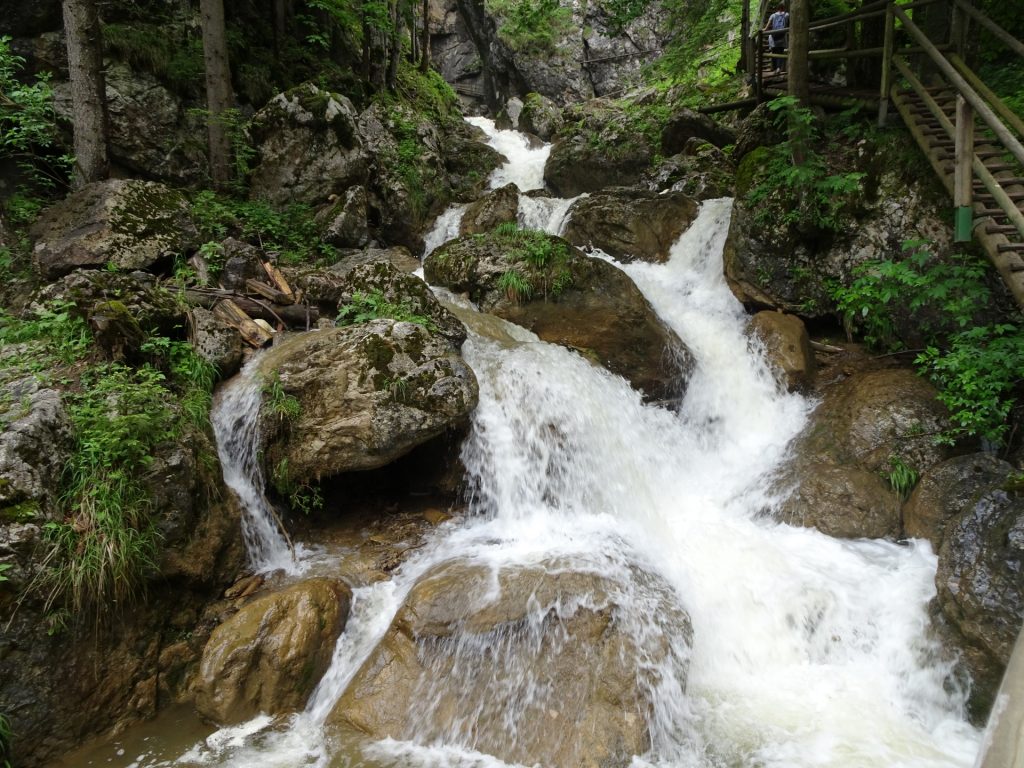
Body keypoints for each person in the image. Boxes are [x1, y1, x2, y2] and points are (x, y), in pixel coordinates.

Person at [764, 3, 789, 73]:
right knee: (780, 53)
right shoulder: (787, 15)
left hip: (773, 36)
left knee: (774, 51)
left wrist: (763, 30)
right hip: (782, 36)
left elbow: (766, 28)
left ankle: (774, 68)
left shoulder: (773, 15)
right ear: (784, 8)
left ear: (777, 8)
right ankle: (778, 68)